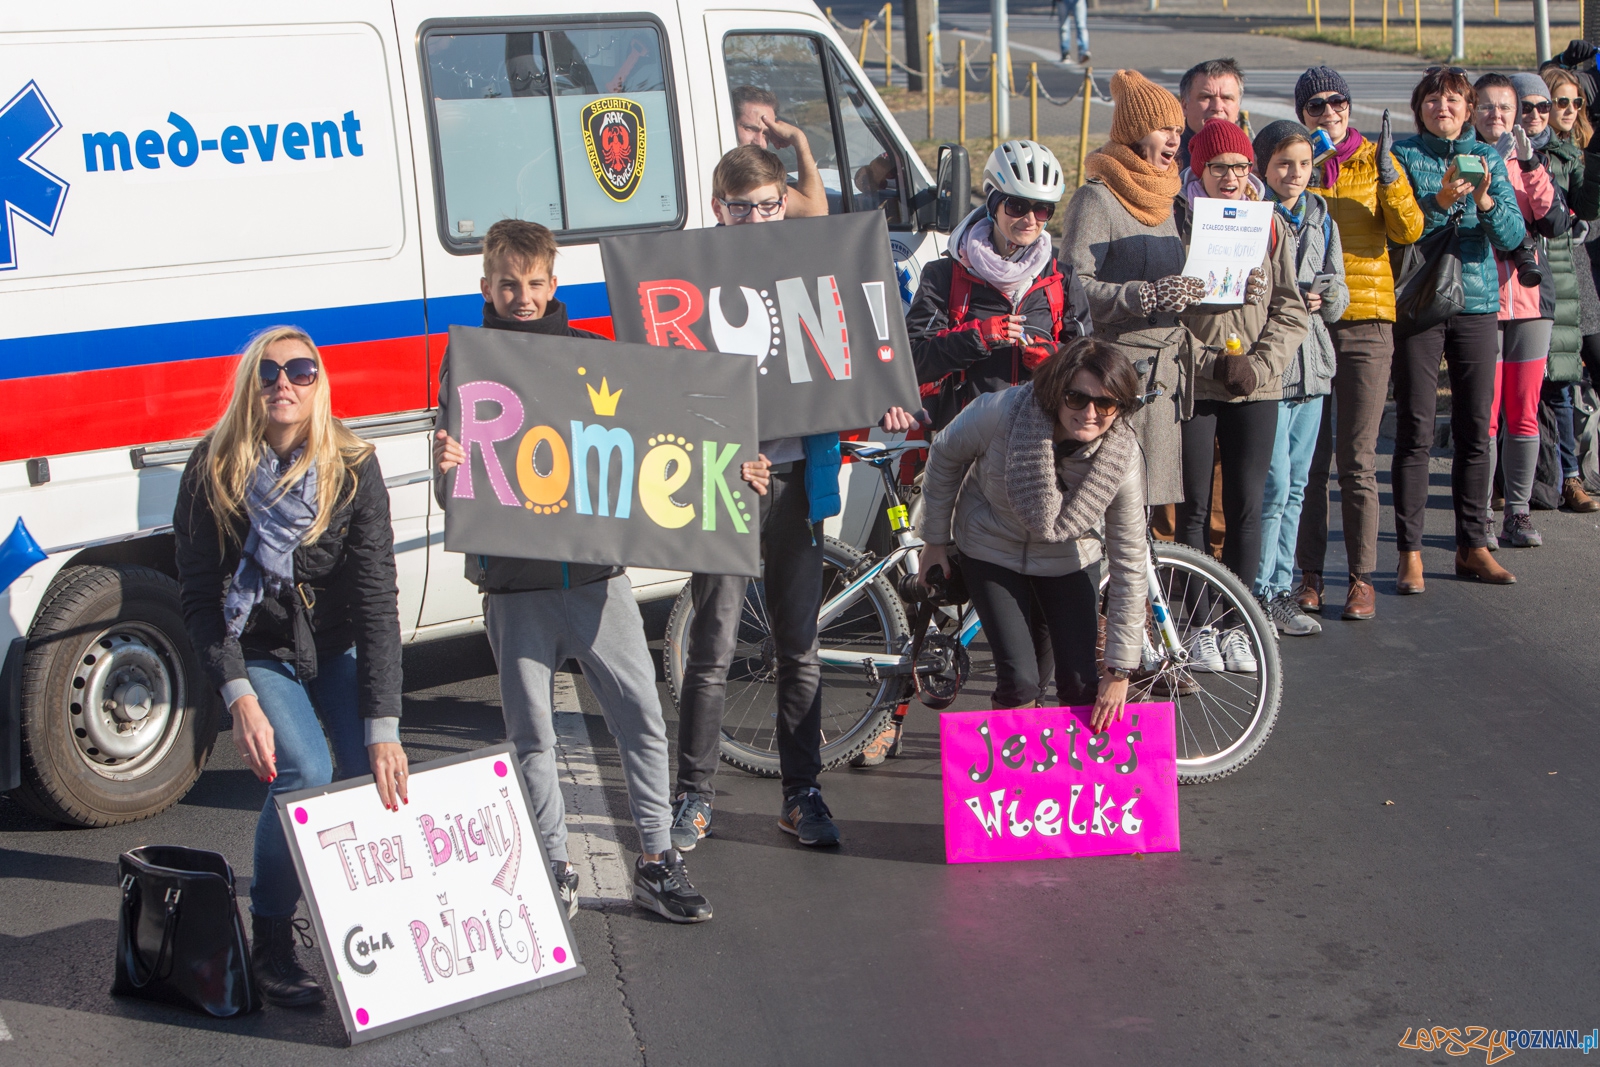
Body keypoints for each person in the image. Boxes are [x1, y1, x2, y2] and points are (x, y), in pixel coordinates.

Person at [432, 219, 715, 923]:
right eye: (508, 285)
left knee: (643, 718)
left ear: (554, 284)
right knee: (532, 735)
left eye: (534, 284)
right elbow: (459, 491)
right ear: (486, 287)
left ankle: (656, 859)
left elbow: (658, 448)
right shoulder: (466, 365)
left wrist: (736, 476)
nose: (522, 296)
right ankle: (553, 864)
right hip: (512, 587)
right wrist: (445, 474)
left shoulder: (597, 357)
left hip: (595, 580)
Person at [670, 145, 917, 851]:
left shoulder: (815, 265)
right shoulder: (692, 277)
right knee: (713, 647)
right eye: (741, 207)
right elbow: (666, 395)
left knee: (800, 647)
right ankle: (693, 795)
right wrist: (721, 451)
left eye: (769, 206)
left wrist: (887, 400)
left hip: (796, 486)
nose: (755, 219)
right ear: (719, 207)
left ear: (786, 203)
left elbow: (862, 345)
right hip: (724, 484)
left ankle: (801, 794)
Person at [173, 326, 408, 1006]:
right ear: (252, 382)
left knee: (376, 766)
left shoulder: (352, 465)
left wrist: (383, 723)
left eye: (301, 371)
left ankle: (362, 921)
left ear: (318, 383)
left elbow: (375, 598)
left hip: (332, 642)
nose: (285, 383)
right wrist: (238, 695)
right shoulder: (212, 467)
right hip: (254, 646)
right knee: (302, 770)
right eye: (270, 372)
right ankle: (271, 935)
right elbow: (199, 597)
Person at [918, 339, 1148, 723]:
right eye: (1077, 398)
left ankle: (1075, 778)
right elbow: (944, 454)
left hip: (1068, 559)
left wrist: (1120, 671)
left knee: (1081, 684)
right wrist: (935, 542)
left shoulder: (1121, 459)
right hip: (991, 547)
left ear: (1120, 407)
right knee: (1021, 682)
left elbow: (1130, 561)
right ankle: (1019, 778)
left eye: (1106, 404)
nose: (1090, 413)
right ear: (1058, 391)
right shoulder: (1002, 412)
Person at [1172, 118, 1309, 669]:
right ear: (1198, 168)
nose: (1231, 178)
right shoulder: (1176, 221)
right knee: (1194, 510)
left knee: (1249, 506)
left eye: (1240, 167)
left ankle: (1239, 623)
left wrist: (1258, 365)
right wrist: (1210, 361)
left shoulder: (1270, 224)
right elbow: (1166, 313)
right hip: (1197, 383)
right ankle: (1202, 623)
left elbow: (1291, 306)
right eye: (1219, 167)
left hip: (1256, 384)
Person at [1290, 66, 1425, 621]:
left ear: (1350, 106)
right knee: (1311, 459)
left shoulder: (1377, 161)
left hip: (1368, 319)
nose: (1328, 112)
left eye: (1337, 102)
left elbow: (1409, 230)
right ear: (1303, 113)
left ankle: (1362, 577)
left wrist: (1390, 173)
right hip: (1309, 320)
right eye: (1316, 105)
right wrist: (1305, 172)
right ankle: (1311, 575)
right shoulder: (1303, 165)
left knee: (1358, 459)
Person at [1390, 66, 1526, 588]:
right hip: (1422, 299)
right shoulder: (1403, 156)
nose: (1442, 108)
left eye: (1452, 100)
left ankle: (1473, 545)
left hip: (1476, 299)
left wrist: (1486, 200)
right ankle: (1411, 552)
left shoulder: (1489, 157)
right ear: (1418, 106)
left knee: (1475, 428)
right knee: (1417, 428)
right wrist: (1441, 200)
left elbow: (1513, 234)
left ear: (1469, 110)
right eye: (1432, 99)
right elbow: (1399, 230)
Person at [1059, 69, 1199, 511]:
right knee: (1113, 506)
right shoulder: (1096, 198)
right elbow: (1072, 287)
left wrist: (1232, 286)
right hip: (1115, 379)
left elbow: (1182, 286)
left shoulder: (1169, 200)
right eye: (1164, 129)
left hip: (1166, 377)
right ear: (1136, 133)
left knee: (1149, 511)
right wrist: (1141, 296)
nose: (1175, 139)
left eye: (1179, 129)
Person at [908, 138, 1092, 431]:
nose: (1030, 220)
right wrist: (976, 338)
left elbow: (1089, 359)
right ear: (993, 203)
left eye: (1043, 209)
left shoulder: (1061, 277)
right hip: (966, 439)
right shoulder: (944, 275)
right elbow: (913, 360)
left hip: (1038, 437)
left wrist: (1055, 358)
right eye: (1017, 206)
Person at [1249, 120, 1348, 637]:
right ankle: (1260, 593)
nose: (1295, 174)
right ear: (1264, 166)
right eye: (1284, 164)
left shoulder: (1321, 215)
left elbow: (1341, 295)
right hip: (1273, 368)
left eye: (1305, 164)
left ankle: (1283, 591)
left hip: (1314, 368)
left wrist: (1326, 297)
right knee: (1275, 484)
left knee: (1299, 487)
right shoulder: (1255, 218)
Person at [1474, 72, 1566, 549]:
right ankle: (1482, 519)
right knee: (1486, 416)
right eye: (1486, 106)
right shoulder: (1466, 160)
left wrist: (1530, 165)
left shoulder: (1531, 161)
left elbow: (1553, 220)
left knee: (1523, 411)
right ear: (1473, 112)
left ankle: (1518, 513)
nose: (1498, 116)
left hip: (1531, 301)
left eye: (1505, 108)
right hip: (1482, 300)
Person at [1534, 65, 1600, 513]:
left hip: (1578, 278)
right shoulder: (1534, 152)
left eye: (1577, 103)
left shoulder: (1577, 152)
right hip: (1542, 276)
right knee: (1549, 383)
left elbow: (1588, 203)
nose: (1570, 110)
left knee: (1567, 378)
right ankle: (1555, 478)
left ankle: (1570, 475)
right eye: (1561, 102)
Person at [730, 84, 828, 217]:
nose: (759, 142)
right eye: (749, 128)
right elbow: (816, 212)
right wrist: (799, 139)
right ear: (729, 122)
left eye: (766, 134)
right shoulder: (739, 172)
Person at [1176, 58, 1245, 171]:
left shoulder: (1252, 161)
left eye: (1227, 98)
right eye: (1206, 97)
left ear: (1238, 108)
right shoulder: (1166, 158)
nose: (1217, 107)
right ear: (1184, 105)